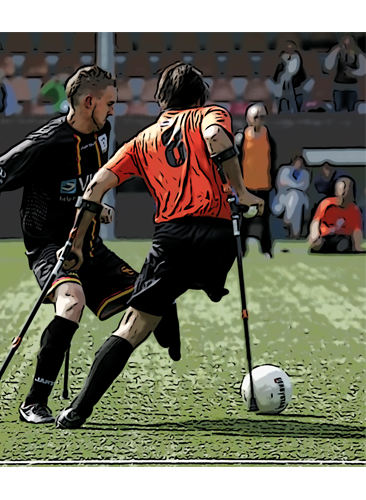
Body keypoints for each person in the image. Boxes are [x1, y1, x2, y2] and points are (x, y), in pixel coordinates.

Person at [54, 62, 264, 430]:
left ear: (162, 100)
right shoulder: (209, 114)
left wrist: (75, 243)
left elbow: (94, 189)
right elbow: (217, 139)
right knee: (210, 284)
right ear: (199, 96)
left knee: (131, 328)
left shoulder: (142, 141)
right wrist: (242, 191)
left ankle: (78, 410)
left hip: (171, 241)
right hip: (215, 238)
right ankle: (189, 293)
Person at [0, 65, 181, 425]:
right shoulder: (46, 143)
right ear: (89, 102)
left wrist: (97, 209)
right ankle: (34, 402)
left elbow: (87, 184)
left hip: (91, 244)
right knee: (72, 304)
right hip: (50, 247)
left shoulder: (102, 132)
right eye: (110, 103)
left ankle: (164, 326)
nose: (114, 110)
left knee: (156, 292)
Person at [235, 104, 277, 258]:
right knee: (244, 221)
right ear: (248, 118)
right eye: (256, 117)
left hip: (264, 186)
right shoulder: (241, 137)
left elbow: (273, 160)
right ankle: (241, 250)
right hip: (247, 187)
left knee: (264, 220)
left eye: (262, 117)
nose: (259, 120)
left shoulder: (268, 137)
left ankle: (266, 249)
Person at [309, 176, 364, 254]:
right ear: (336, 191)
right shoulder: (326, 203)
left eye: (347, 190)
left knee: (343, 247)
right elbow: (316, 221)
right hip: (325, 236)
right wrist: (314, 235)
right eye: (342, 189)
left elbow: (357, 230)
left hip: (342, 237)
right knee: (317, 245)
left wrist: (357, 246)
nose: (344, 192)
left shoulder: (354, 209)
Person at [324, 34, 366, 113]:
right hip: (338, 85)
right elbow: (328, 66)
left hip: (352, 85)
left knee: (351, 109)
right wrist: (336, 50)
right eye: (345, 43)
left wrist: (353, 73)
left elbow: (364, 69)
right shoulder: (337, 52)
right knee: (338, 109)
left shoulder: (358, 53)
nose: (347, 45)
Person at [272, 153, 311, 239]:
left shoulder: (305, 173)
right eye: (297, 162)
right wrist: (297, 185)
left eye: (301, 162)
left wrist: (291, 185)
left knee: (296, 196)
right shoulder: (284, 170)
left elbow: (304, 186)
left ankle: (291, 225)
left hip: (301, 200)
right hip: (283, 199)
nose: (299, 164)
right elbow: (282, 183)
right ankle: (293, 229)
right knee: (294, 195)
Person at [273, 41, 307, 113]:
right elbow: (277, 72)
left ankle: (295, 111)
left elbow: (299, 72)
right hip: (281, 82)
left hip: (295, 82)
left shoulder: (297, 57)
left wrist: (291, 78)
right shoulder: (282, 57)